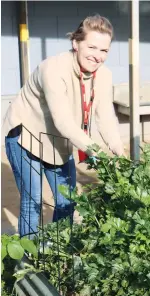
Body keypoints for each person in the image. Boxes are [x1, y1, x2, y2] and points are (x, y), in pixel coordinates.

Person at [3, 15, 125, 238]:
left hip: (59, 140)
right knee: (33, 200)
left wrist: (118, 149)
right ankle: (28, 262)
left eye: (104, 51)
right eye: (92, 47)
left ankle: (58, 253)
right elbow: (63, 121)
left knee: (67, 200)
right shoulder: (53, 69)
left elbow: (105, 115)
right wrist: (96, 151)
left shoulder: (104, 76)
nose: (97, 56)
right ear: (75, 43)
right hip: (26, 135)